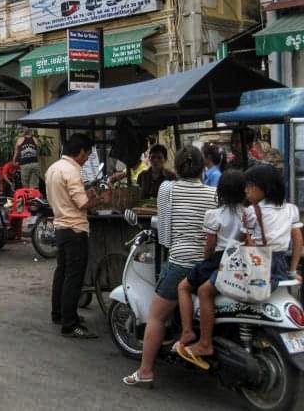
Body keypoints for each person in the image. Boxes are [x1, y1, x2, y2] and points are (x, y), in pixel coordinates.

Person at [177, 165, 303, 366]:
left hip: (257, 266)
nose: (246, 191)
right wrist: (293, 270)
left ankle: (204, 343)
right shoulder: (291, 209)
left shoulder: (252, 212)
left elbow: (244, 245)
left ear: (265, 188)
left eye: (250, 186)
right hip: (279, 267)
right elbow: (297, 241)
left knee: (204, 291)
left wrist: (227, 267)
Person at [123, 146, 218, 386]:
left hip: (181, 262)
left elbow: (164, 234)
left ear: (175, 167)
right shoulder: (214, 193)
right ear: (203, 167)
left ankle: (145, 371)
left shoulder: (168, 189)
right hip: (209, 265)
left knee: (155, 316)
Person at [174, 170, 254, 366]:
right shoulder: (248, 214)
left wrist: (204, 261)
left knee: (183, 287)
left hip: (218, 261)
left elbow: (209, 245)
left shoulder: (214, 215)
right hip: (241, 261)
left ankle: (187, 331)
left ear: (221, 191)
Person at [47, 133, 110, 338]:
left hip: (61, 227)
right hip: (74, 229)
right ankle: (70, 323)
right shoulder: (72, 170)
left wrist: (89, 194)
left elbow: (71, 197)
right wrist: (101, 199)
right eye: (87, 154)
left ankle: (60, 314)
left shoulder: (53, 169)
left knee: (62, 273)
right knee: (73, 277)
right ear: (80, 151)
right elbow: (82, 204)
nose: (87, 158)